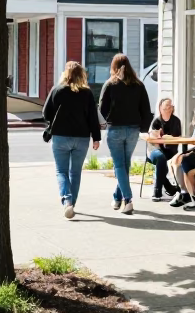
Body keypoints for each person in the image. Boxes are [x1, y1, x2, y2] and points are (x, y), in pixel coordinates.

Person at [43, 62, 102, 218]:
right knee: (75, 172)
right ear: (81, 74)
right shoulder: (87, 93)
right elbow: (92, 118)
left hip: (60, 137)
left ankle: (67, 201)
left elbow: (45, 113)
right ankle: (71, 204)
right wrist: (96, 138)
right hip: (81, 138)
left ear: (65, 74)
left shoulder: (57, 90)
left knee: (61, 171)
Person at [99, 53, 152, 215]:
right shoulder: (139, 85)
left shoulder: (110, 84)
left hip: (115, 129)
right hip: (133, 129)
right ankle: (117, 197)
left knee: (120, 165)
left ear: (113, 67)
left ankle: (128, 199)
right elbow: (146, 110)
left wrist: (108, 120)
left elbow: (102, 107)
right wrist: (143, 128)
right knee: (125, 164)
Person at [148, 98, 183, 201]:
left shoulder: (176, 121)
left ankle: (166, 189)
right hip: (155, 149)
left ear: (172, 108)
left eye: (170, 106)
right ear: (160, 108)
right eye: (165, 107)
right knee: (160, 158)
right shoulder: (156, 121)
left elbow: (177, 137)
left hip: (171, 151)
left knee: (163, 161)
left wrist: (167, 138)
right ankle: (159, 190)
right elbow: (152, 138)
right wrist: (157, 136)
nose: (167, 109)